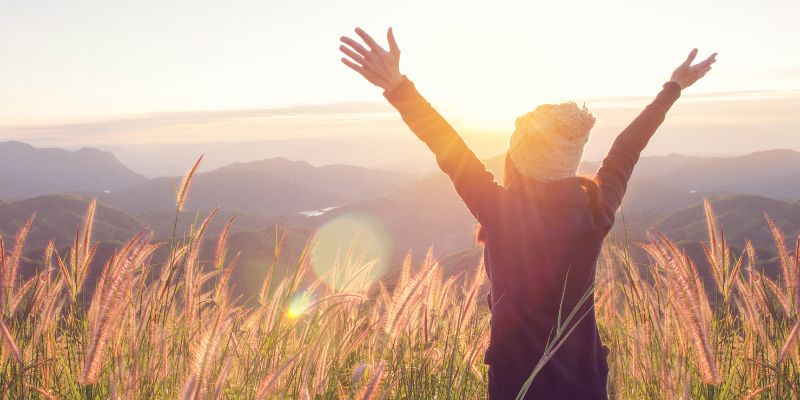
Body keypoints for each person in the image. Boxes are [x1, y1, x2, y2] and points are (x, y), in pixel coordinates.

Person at [339, 27, 716, 399]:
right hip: (585, 384)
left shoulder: (501, 213)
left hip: (517, 386)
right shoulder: (596, 209)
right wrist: (672, 89)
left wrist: (398, 87)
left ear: (516, 158)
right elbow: (626, 149)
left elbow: (447, 145)